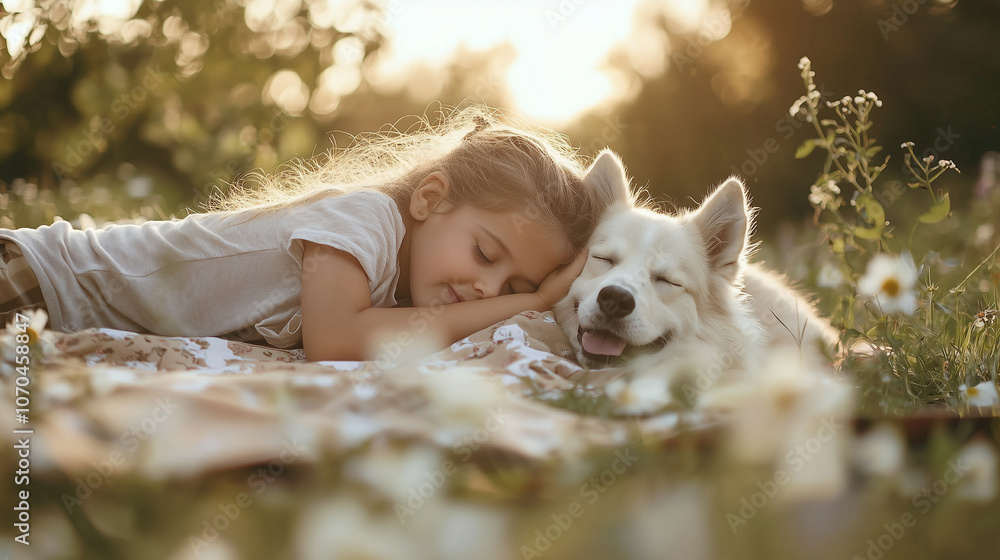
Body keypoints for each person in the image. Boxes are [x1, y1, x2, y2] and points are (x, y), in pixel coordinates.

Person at [0, 107, 599, 361]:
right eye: (485, 252)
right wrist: (534, 299)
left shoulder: (394, 291)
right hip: (42, 282)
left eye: (512, 282)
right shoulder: (363, 219)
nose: (488, 288)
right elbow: (335, 342)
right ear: (430, 198)